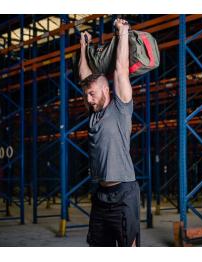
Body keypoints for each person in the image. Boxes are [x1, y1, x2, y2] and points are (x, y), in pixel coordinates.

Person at [79, 18, 140, 247]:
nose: (88, 99)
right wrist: (84, 47)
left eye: (92, 94)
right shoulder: (93, 113)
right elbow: (85, 78)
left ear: (106, 90)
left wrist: (122, 32)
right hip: (100, 195)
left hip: (124, 192)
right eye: (86, 95)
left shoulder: (121, 108)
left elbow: (121, 69)